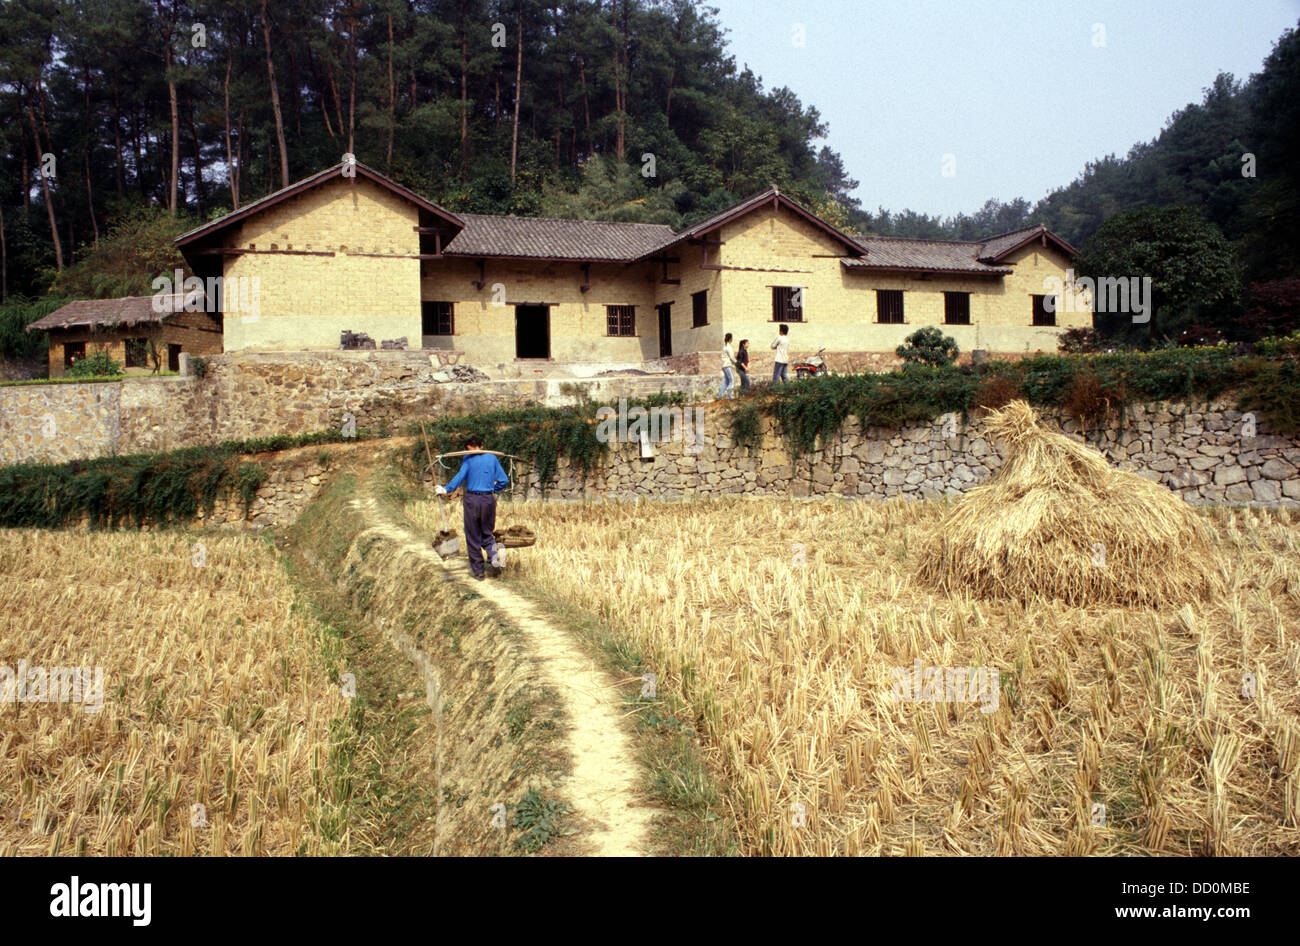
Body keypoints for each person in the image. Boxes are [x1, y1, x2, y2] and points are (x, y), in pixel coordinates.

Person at [435, 435, 510, 580]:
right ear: (481, 446)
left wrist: (446, 489)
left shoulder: (468, 459)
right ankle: (495, 559)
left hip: (473, 500)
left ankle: (479, 572)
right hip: (488, 500)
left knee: (473, 536)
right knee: (487, 534)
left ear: (469, 448)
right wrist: (493, 489)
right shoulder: (492, 458)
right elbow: (504, 480)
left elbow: (460, 476)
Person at [720, 333, 737, 400]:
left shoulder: (725, 346)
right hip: (728, 365)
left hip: (724, 366)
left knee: (727, 382)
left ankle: (719, 395)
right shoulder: (729, 347)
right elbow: (732, 357)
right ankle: (729, 396)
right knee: (732, 380)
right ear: (731, 339)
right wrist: (737, 363)